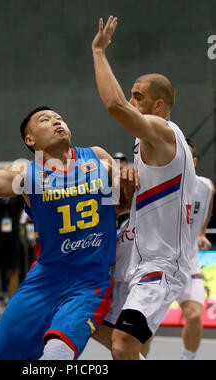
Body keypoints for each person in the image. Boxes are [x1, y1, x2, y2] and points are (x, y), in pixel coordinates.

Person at [0, 96, 138, 360]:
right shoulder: (26, 173)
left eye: (58, 117)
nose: (56, 121)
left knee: (56, 353)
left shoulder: (97, 158)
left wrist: (128, 186)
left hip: (89, 279)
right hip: (45, 278)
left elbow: (127, 201)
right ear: (31, 140)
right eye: (45, 120)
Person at [91, 16, 197, 360]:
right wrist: (124, 204)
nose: (131, 101)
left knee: (123, 343)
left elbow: (114, 106)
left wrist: (99, 52)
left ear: (158, 106)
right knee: (89, 322)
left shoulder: (166, 134)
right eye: (132, 96)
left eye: (138, 97)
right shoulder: (144, 146)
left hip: (160, 263)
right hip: (131, 254)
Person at [142, 139, 215, 360]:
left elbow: (207, 205)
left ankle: (187, 358)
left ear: (192, 161)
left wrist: (201, 232)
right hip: (158, 266)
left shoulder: (205, 186)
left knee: (194, 316)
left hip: (188, 264)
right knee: (145, 328)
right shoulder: (157, 186)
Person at [0, 195, 24, 313]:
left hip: (13, 233)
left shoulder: (17, 191)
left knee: (13, 268)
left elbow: (19, 212)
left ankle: (12, 301)